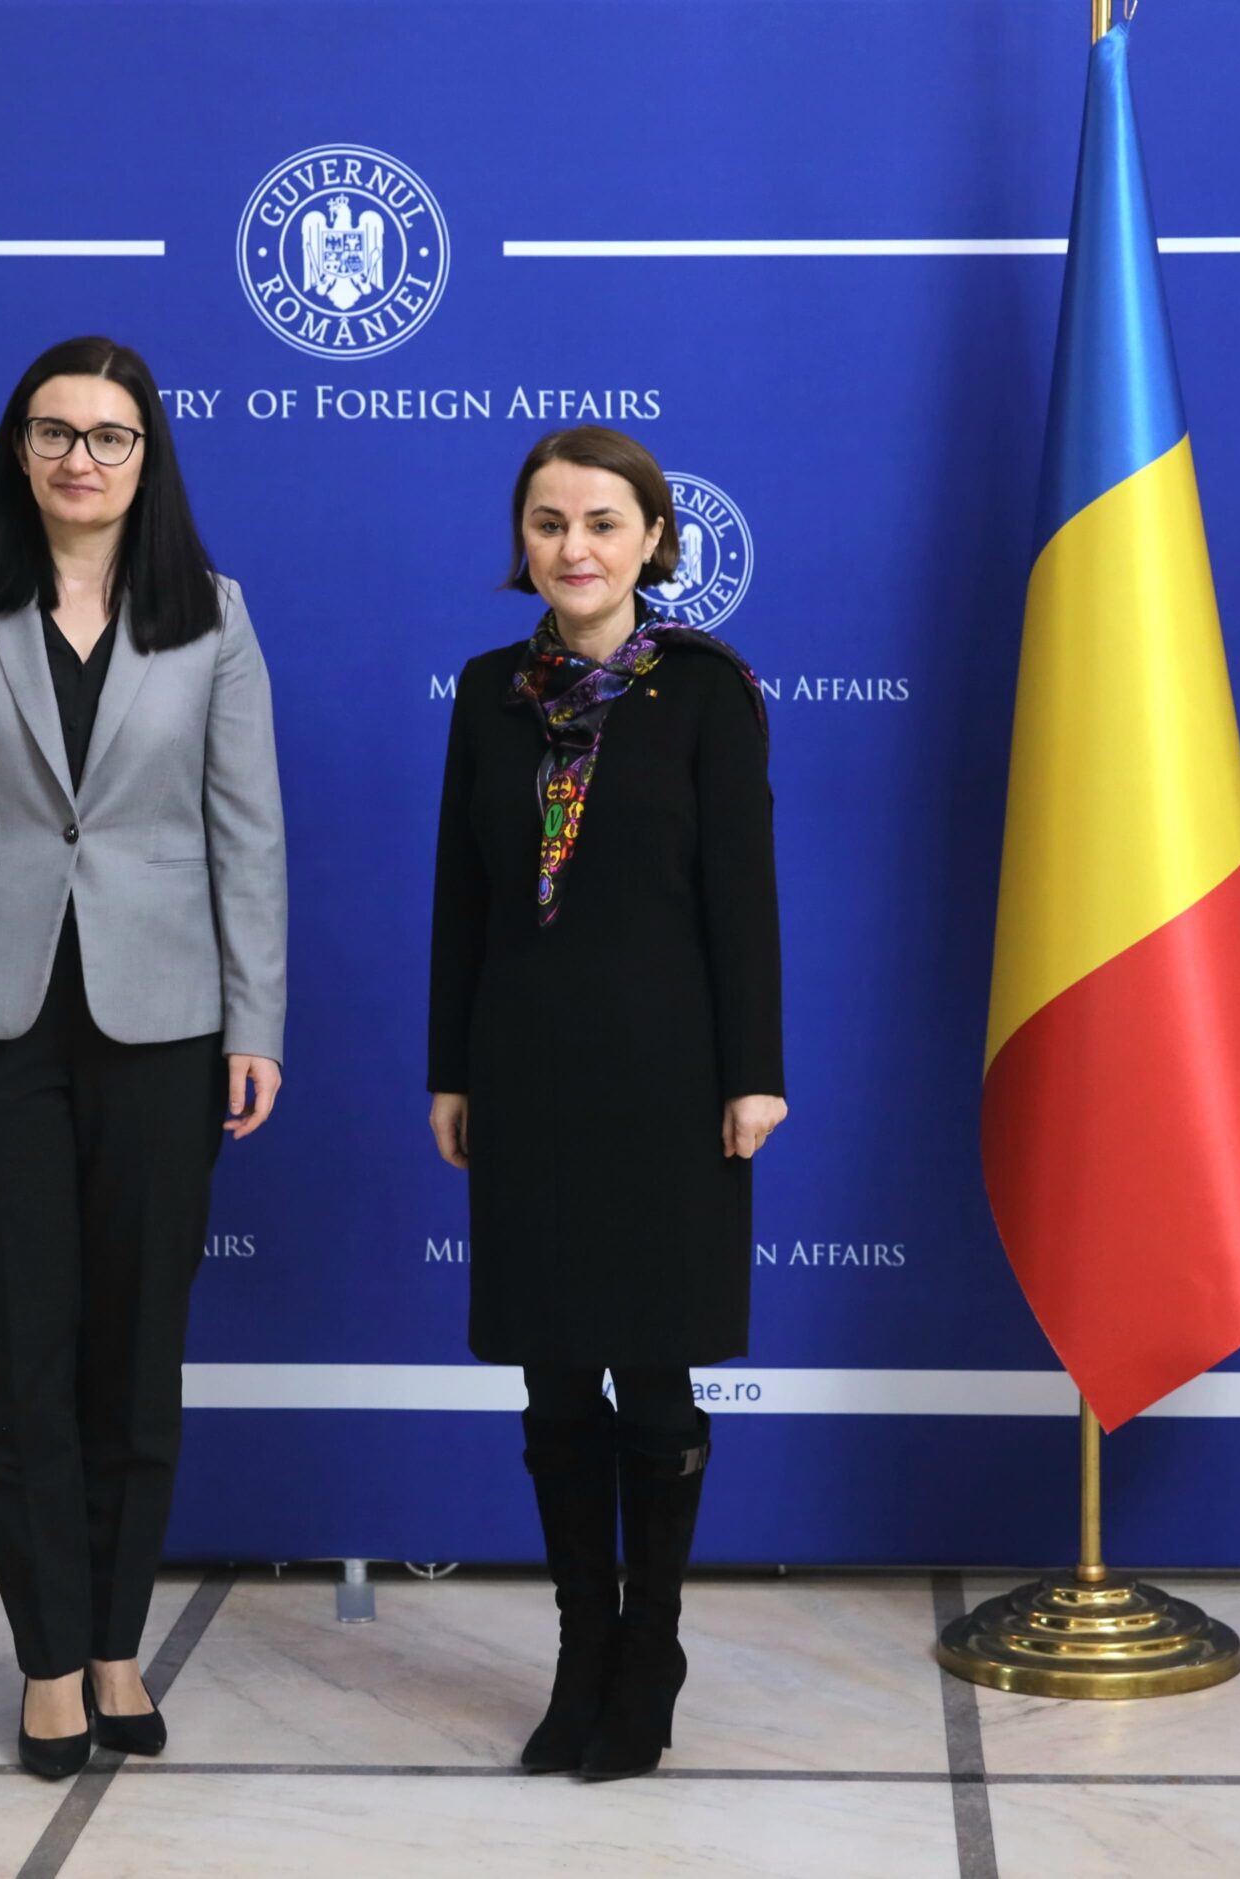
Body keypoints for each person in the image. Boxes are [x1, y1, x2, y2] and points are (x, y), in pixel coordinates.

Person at [0, 336, 287, 1779]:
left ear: (147, 457)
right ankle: (47, 1657)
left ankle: (116, 1643)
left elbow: (247, 833)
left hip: (165, 1025)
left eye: (109, 436)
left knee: (136, 1357)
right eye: (54, 432)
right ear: (19, 450)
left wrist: (256, 1023)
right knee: (15, 1351)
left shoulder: (212, 615)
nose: (80, 458)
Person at [427, 426, 785, 1781]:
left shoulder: (706, 692)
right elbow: (461, 896)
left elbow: (742, 896)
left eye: (601, 522)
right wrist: (449, 1069)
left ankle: (652, 1649)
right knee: (554, 1377)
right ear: (521, 543)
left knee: (655, 1373)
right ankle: (583, 1647)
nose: (573, 547)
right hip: (525, 1075)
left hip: (670, 1081)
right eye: (548, 523)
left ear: (652, 541)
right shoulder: (486, 692)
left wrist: (755, 1072)